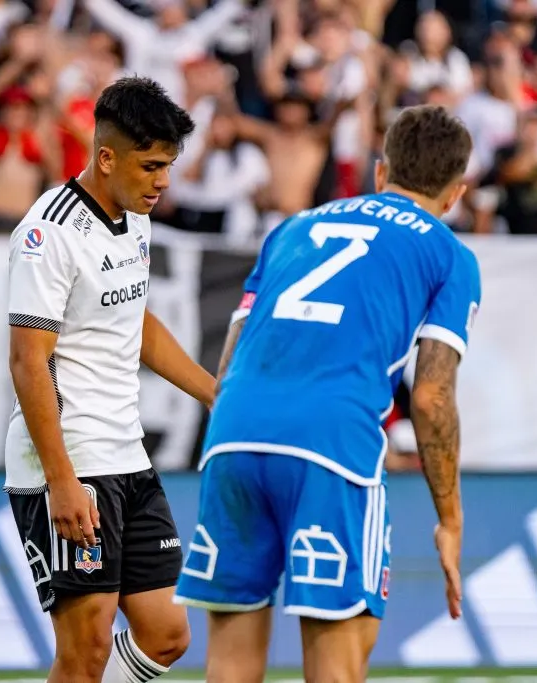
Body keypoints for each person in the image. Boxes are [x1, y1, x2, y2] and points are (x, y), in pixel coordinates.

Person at [174, 105, 482, 683]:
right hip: (332, 445)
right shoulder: (449, 254)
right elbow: (433, 398)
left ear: (381, 173)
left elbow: (230, 361)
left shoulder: (292, 228)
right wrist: (451, 518)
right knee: (337, 667)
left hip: (233, 433)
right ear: (456, 194)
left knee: (229, 668)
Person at [4, 76, 215, 683]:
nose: (163, 182)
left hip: (127, 454)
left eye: (168, 166)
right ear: (106, 156)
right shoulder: (49, 234)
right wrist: (62, 480)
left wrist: (214, 396)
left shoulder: (135, 216)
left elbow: (135, 323)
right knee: (85, 652)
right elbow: (28, 361)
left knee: (167, 634)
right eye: (151, 166)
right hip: (71, 459)